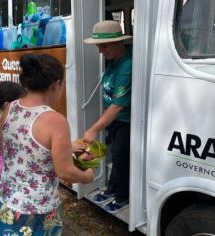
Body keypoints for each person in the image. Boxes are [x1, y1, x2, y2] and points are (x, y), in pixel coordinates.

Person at [0, 54, 95, 236]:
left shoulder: (9, 108)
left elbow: (8, 151)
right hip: (37, 211)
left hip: (7, 202)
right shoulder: (55, 121)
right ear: (56, 84)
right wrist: (87, 176)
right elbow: (65, 172)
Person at [83, 20, 132, 213]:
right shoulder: (113, 62)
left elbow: (118, 106)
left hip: (124, 122)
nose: (100, 51)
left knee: (120, 159)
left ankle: (123, 196)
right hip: (113, 122)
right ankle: (112, 189)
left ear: (117, 42)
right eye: (98, 46)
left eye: (103, 46)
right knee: (114, 156)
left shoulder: (126, 65)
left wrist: (93, 129)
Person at [0, 81, 27, 199]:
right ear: (8, 105)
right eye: (21, 103)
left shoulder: (1, 120)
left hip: (4, 173)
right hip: (9, 179)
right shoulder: (7, 124)